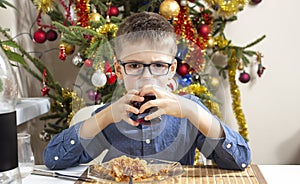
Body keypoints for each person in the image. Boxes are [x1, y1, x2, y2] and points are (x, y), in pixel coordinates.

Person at [43, 12, 250, 170]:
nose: (147, 77)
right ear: (119, 70)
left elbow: (240, 160)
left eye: (159, 65)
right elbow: (54, 159)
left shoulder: (189, 112)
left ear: (171, 70)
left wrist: (192, 112)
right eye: (134, 65)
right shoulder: (112, 116)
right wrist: (106, 116)